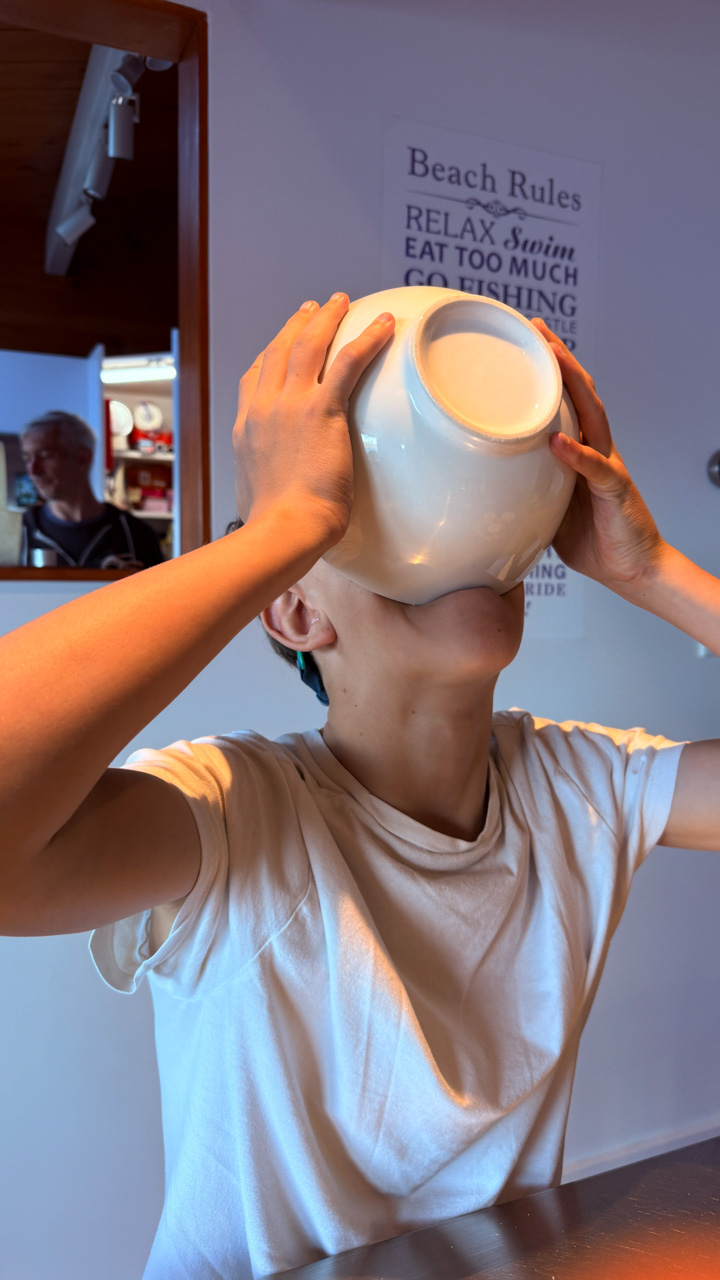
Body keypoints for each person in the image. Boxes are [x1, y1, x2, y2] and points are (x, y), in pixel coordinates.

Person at [0, 293, 718, 1280]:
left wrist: (655, 568)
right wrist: (281, 528)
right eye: (357, 508)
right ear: (294, 610)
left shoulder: (576, 787)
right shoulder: (236, 810)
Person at [19, 409, 164, 569]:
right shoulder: (20, 533)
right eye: (27, 458)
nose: (33, 470)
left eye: (46, 455)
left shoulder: (135, 534)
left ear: (82, 459)